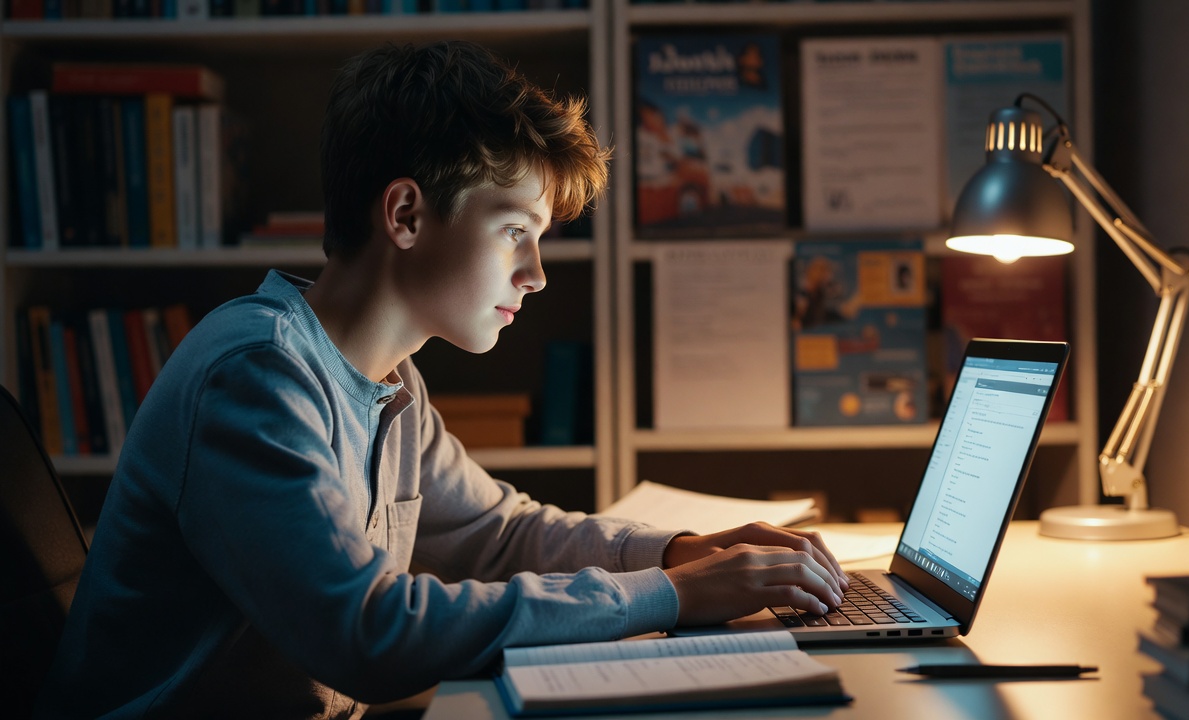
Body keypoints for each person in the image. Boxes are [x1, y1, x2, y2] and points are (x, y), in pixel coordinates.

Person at [36, 41, 847, 719]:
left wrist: (678, 552)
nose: (534, 274)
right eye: (514, 233)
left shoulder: (388, 380)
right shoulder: (258, 374)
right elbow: (371, 635)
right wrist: (672, 596)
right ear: (406, 216)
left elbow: (497, 535)